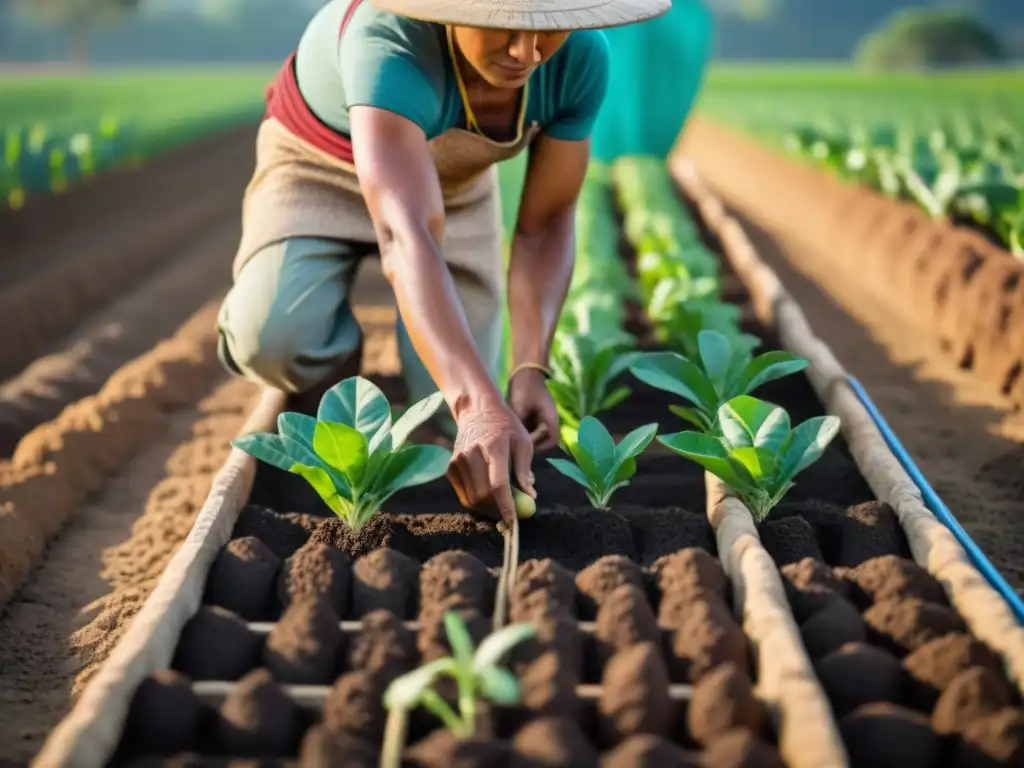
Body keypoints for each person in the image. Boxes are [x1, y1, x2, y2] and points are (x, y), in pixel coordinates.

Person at [216, 0, 670, 524]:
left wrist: (528, 369)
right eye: (503, 25)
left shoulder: (581, 59)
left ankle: (422, 409)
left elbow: (545, 224)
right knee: (274, 339)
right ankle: (332, 368)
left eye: (551, 26)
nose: (527, 51)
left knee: (450, 400)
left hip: (450, 188)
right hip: (317, 168)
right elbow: (405, 236)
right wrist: (476, 403)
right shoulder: (389, 40)